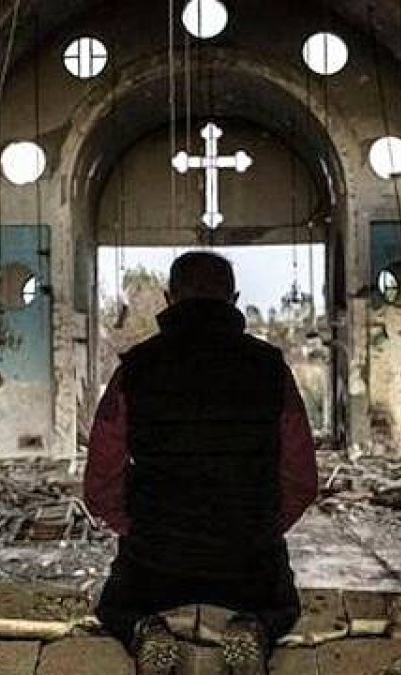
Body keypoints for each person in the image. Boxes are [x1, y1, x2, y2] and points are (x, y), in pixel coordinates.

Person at [84, 251, 319, 675]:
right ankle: (256, 626)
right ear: (235, 299)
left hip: (155, 564)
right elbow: (301, 477)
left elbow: (101, 479)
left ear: (168, 298)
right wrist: (260, 527)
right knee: (283, 606)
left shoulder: (135, 369)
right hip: (249, 565)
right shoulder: (270, 368)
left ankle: (143, 629)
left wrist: (139, 529)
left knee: (115, 606)